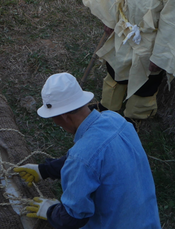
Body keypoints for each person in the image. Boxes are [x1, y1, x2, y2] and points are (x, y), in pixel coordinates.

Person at [13, 73, 160, 228]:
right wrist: (44, 170)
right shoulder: (116, 120)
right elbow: (93, 161)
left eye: (53, 119)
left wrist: (50, 210)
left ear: (64, 117)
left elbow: (73, 218)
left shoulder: (81, 158)